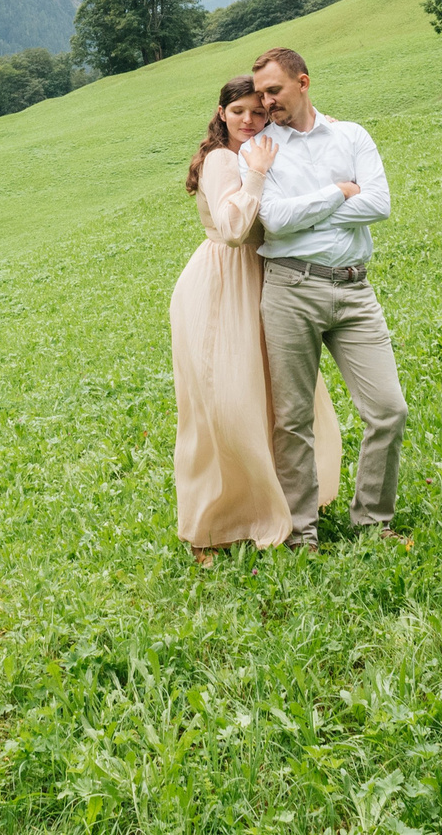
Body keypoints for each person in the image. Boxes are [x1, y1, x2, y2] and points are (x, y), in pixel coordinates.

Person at [244, 46, 407, 547]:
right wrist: (340, 192)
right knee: (293, 420)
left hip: (355, 290)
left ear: (303, 82)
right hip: (291, 289)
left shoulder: (351, 134)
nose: (266, 102)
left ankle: (373, 522)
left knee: (389, 410)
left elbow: (379, 203)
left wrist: (308, 212)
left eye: (275, 90)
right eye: (261, 94)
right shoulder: (259, 150)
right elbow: (275, 219)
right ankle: (300, 532)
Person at [171, 75, 339, 557]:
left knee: (271, 395)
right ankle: (213, 523)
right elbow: (230, 228)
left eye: (259, 112)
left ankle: (283, 501)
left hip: (263, 278)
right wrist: (259, 174)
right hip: (224, 285)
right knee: (227, 404)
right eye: (239, 111)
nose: (249, 120)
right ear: (221, 113)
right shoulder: (224, 160)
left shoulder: (254, 152)